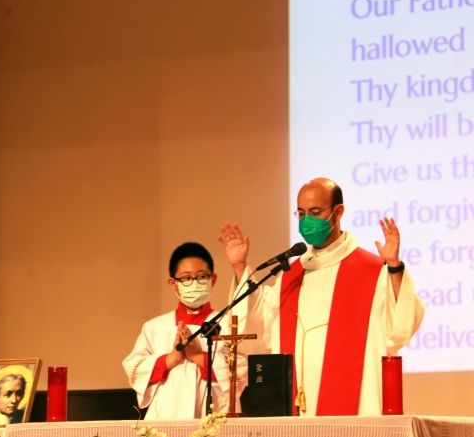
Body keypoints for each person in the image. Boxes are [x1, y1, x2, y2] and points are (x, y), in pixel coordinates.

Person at [218, 177, 425, 416]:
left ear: (338, 212)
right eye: (301, 214)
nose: (307, 221)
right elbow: (259, 326)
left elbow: (400, 326)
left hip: (354, 408)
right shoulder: (291, 275)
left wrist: (394, 267)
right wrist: (240, 267)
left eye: (315, 212)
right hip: (296, 400)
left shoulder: (371, 270)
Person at [122, 242, 231, 420]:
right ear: (173, 283)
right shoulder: (155, 327)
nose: (194, 284)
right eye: (186, 278)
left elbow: (240, 371)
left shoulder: (227, 323)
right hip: (165, 413)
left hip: (213, 412)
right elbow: (134, 369)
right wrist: (171, 358)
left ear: (213, 279)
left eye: (202, 276)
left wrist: (198, 356)